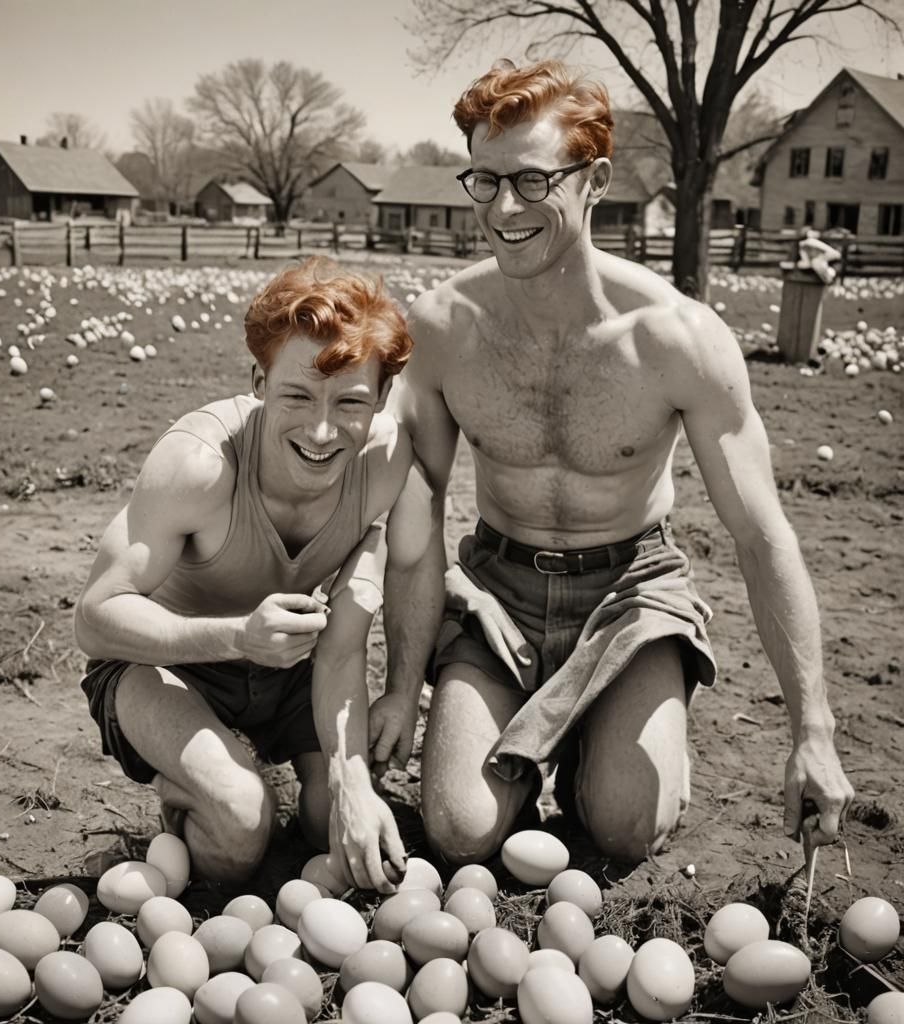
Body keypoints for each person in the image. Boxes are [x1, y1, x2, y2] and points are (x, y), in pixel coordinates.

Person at [375, 59, 854, 865]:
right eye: (483, 181)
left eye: (531, 183)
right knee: (459, 831)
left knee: (626, 827)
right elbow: (407, 503)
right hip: (499, 587)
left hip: (634, 589)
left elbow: (762, 535)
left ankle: (624, 728)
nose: (502, 209)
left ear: (593, 181)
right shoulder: (442, 329)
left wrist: (814, 727)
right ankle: (527, 743)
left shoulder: (678, 339)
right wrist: (449, 595)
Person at [75, 256, 430, 892]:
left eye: (350, 402)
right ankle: (189, 793)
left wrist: (351, 782)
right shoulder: (198, 463)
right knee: (239, 830)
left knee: (336, 826)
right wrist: (236, 637)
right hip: (161, 666)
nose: (321, 430)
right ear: (259, 382)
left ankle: (252, 774)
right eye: (297, 394)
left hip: (289, 666)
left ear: (381, 399)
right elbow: (97, 620)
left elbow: (345, 643)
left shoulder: (385, 464)